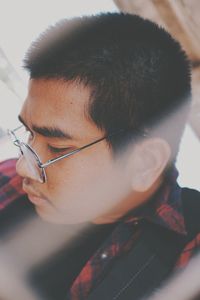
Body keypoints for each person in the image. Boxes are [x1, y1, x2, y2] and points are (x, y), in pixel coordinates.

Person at [0, 12, 200, 300]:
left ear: (144, 163)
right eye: (29, 134)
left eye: (57, 148)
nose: (23, 168)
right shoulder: (6, 177)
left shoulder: (188, 255)